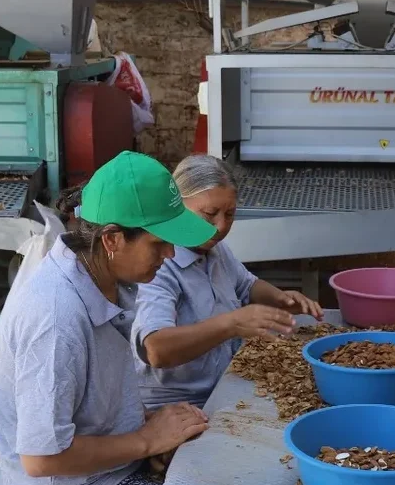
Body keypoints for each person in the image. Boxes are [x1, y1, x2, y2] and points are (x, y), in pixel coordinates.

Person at [0, 151, 216, 485]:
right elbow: (41, 459)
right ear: (111, 238)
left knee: (220, 477)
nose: (168, 257)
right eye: (159, 244)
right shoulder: (55, 319)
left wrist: (146, 428)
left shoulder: (102, 274)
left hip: (108, 471)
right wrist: (145, 440)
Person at [131, 154, 323, 409]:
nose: (220, 226)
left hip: (225, 383)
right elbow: (156, 349)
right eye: (209, 214)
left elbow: (246, 285)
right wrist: (230, 324)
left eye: (230, 214)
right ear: (176, 207)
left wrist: (281, 299)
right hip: (177, 407)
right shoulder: (158, 266)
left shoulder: (214, 249)